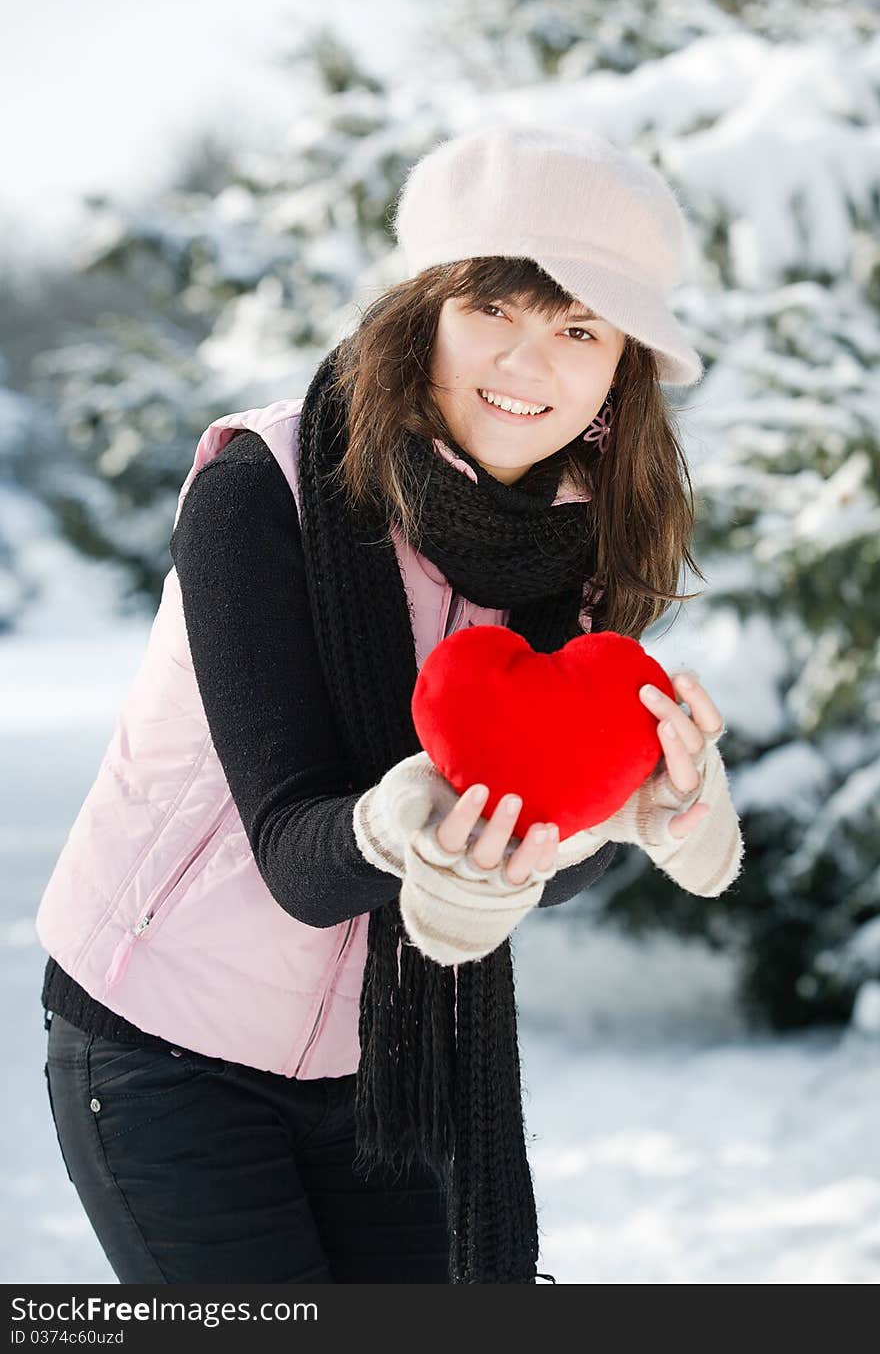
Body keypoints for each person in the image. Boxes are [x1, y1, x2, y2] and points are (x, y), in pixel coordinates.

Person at [36, 123, 744, 1285]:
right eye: (494, 310)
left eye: (577, 328)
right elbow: (299, 858)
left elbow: (532, 853)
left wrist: (634, 808)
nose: (529, 365)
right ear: (423, 316)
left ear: (620, 370)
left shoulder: (576, 549)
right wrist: (415, 823)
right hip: (164, 1045)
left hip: (399, 1060)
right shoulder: (258, 487)